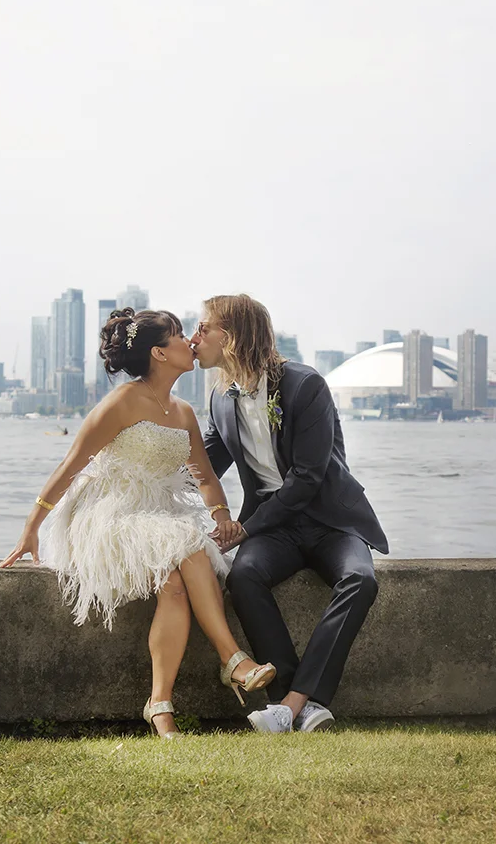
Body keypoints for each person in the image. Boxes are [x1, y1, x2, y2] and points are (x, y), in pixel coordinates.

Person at [1, 307, 273, 739]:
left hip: (159, 514)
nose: (190, 341)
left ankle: (159, 707)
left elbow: (203, 476)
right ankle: (234, 660)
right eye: (180, 335)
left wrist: (221, 516)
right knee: (186, 542)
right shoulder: (122, 401)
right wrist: (33, 525)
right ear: (159, 354)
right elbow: (72, 464)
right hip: (108, 513)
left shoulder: (183, 411)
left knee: (175, 584)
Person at [191, 294, 388, 734]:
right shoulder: (220, 399)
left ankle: (293, 701)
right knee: (243, 577)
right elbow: (204, 466)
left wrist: (245, 528)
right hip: (274, 527)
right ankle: (290, 704)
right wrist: (139, 483)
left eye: (204, 328)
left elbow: (308, 477)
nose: (195, 336)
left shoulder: (305, 385)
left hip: (330, 521)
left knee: (361, 579)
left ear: (233, 336)